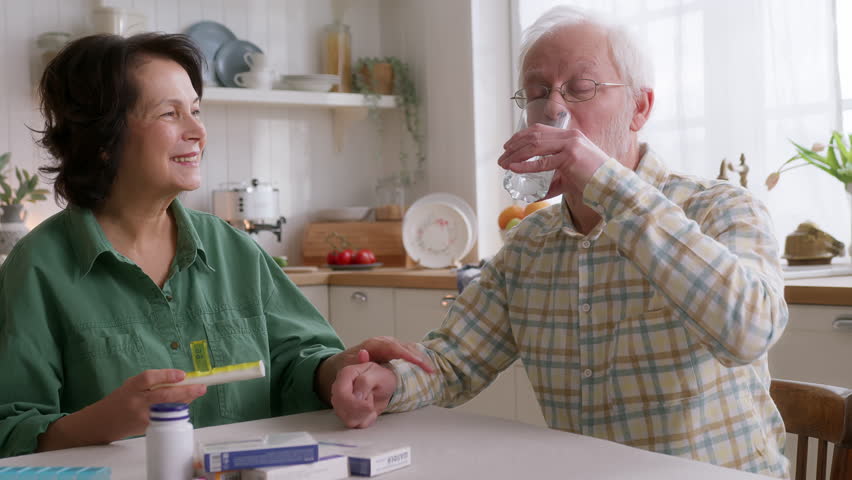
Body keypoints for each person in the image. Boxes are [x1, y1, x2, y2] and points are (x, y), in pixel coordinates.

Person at [330, 6, 789, 478]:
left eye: (582, 88)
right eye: (537, 92)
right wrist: (386, 383)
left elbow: (748, 333)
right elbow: (453, 362)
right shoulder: (530, 245)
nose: (554, 108)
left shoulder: (722, 207)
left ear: (640, 108)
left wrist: (606, 184)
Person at [0, 33, 431, 458]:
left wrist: (341, 370)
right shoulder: (37, 268)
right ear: (101, 140)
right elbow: (11, 429)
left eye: (196, 110)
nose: (198, 131)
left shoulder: (233, 249)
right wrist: (104, 421)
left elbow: (296, 361)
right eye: (170, 114)